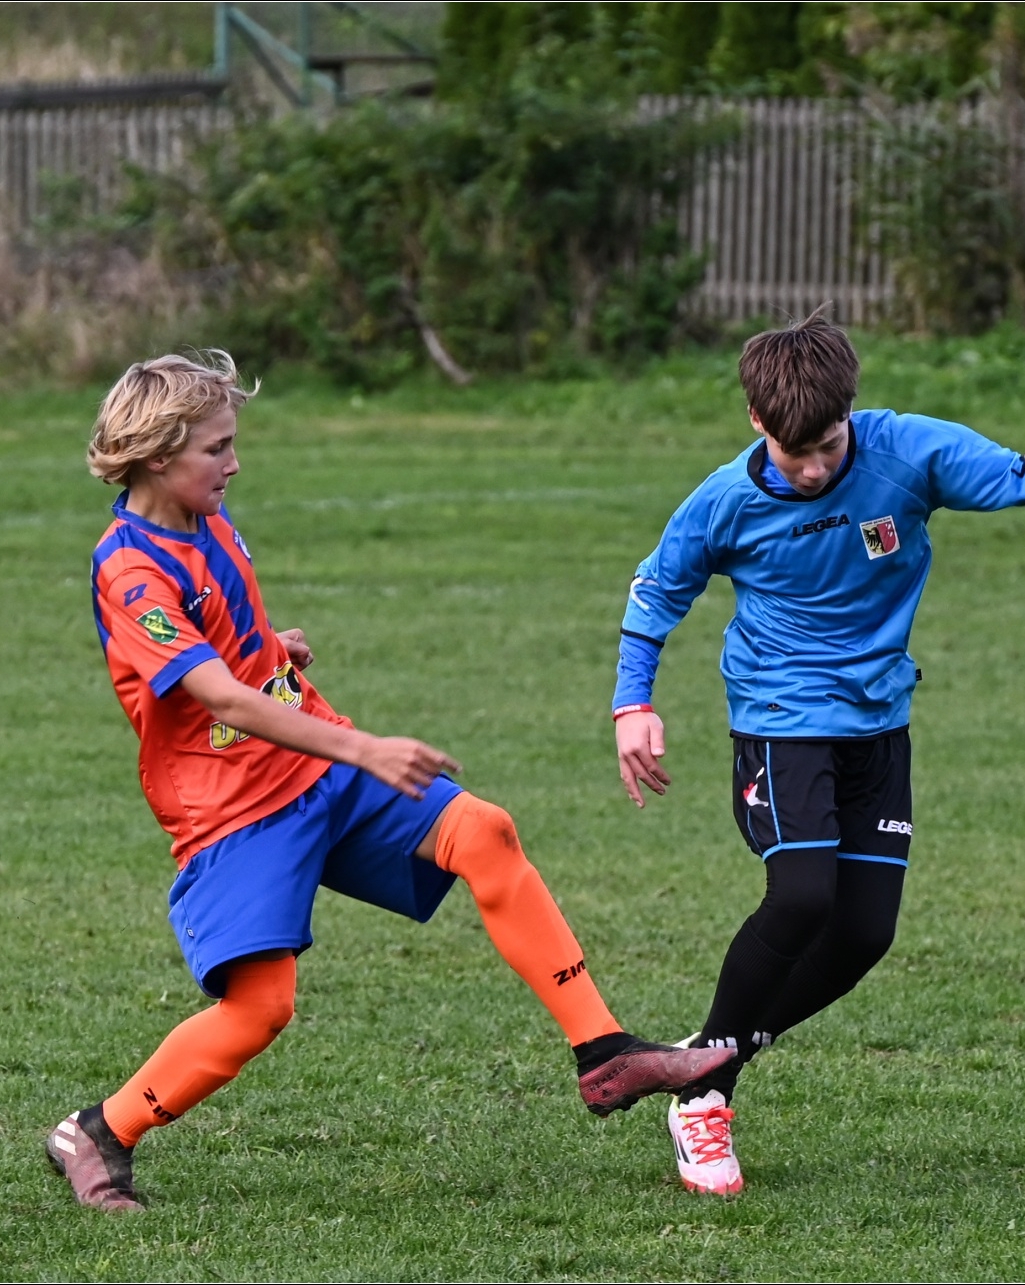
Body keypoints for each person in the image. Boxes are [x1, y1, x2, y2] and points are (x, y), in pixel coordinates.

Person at [45, 351, 732, 1212]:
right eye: (217, 448)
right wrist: (365, 747)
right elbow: (219, 697)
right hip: (235, 813)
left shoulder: (206, 517)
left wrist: (271, 649)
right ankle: (98, 1132)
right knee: (260, 1010)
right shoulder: (131, 569)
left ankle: (603, 1052)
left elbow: (222, 647)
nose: (235, 463)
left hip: (314, 765)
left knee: (483, 831)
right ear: (156, 457)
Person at [611, 310, 1025, 1196]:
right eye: (794, 452)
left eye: (829, 445)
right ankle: (703, 1098)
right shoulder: (725, 500)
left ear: (851, 412)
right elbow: (657, 590)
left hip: (878, 719)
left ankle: (710, 1052)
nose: (814, 468)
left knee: (864, 932)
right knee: (804, 893)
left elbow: (1019, 473)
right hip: (779, 717)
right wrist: (633, 703)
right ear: (757, 423)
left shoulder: (906, 451)